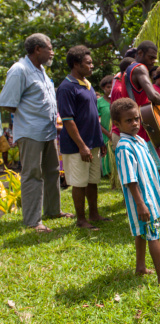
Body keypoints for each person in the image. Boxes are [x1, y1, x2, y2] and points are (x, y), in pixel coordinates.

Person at [0, 33, 72, 232]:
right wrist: (26, 117)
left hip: (47, 131)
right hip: (30, 132)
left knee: (52, 171)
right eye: (49, 47)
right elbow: (6, 103)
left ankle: (53, 210)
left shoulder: (41, 71)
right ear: (37, 49)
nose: (52, 52)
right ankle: (33, 220)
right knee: (32, 174)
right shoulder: (19, 70)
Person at [112, 98, 160, 285]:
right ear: (117, 124)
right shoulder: (124, 147)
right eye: (128, 121)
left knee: (141, 232)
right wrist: (140, 204)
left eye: (136, 119)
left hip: (149, 195)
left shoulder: (138, 139)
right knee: (152, 234)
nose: (134, 123)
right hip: (143, 200)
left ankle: (140, 267)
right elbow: (129, 180)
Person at [123, 41, 160, 234]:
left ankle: (155, 217)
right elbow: (152, 95)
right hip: (145, 132)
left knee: (154, 172)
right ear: (139, 53)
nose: (153, 62)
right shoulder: (139, 69)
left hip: (141, 130)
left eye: (155, 58)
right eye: (150, 57)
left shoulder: (128, 71)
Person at [57, 46, 110, 230]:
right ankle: (81, 220)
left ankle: (94, 214)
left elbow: (94, 116)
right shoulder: (66, 88)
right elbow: (68, 120)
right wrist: (82, 145)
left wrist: (99, 141)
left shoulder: (87, 84)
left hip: (93, 142)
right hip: (76, 146)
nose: (92, 66)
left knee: (92, 180)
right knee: (79, 183)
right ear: (76, 64)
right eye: (88, 63)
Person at [97, 75, 114, 177]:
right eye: (108, 87)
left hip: (116, 132)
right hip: (104, 133)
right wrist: (108, 133)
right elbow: (97, 121)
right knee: (107, 155)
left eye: (112, 86)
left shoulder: (117, 99)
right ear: (103, 88)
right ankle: (110, 177)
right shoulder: (99, 102)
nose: (110, 89)